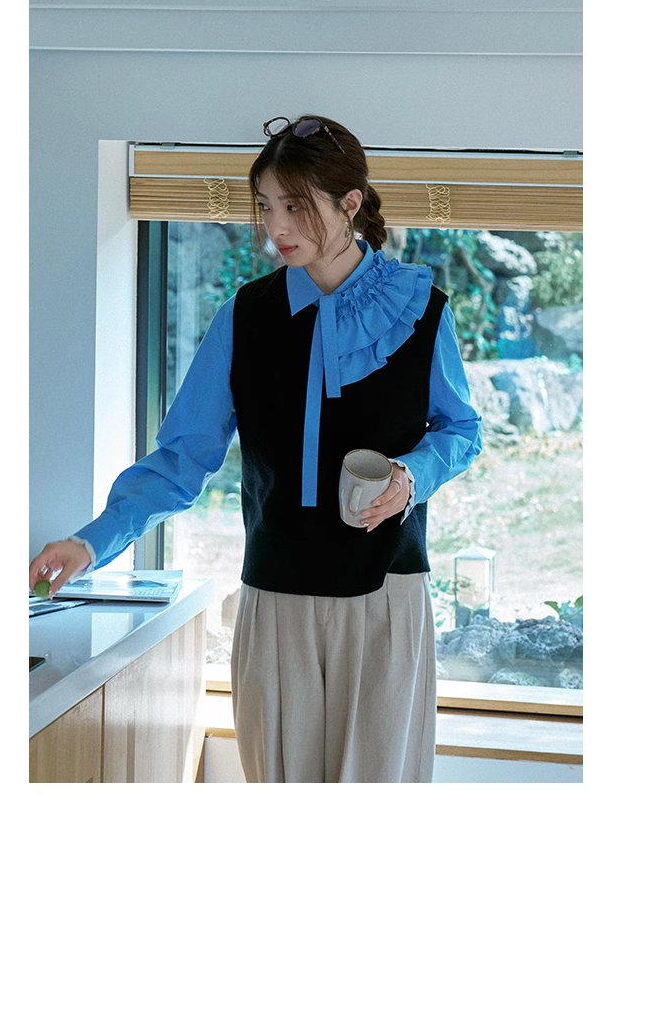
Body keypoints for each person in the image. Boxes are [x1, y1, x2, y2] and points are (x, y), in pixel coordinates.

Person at [29, 115, 482, 783]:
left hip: (387, 595)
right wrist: (90, 543)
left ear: (350, 204)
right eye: (267, 206)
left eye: (295, 206)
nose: (276, 227)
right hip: (277, 601)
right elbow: (182, 459)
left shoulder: (422, 311)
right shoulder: (245, 317)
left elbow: (461, 431)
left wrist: (410, 476)